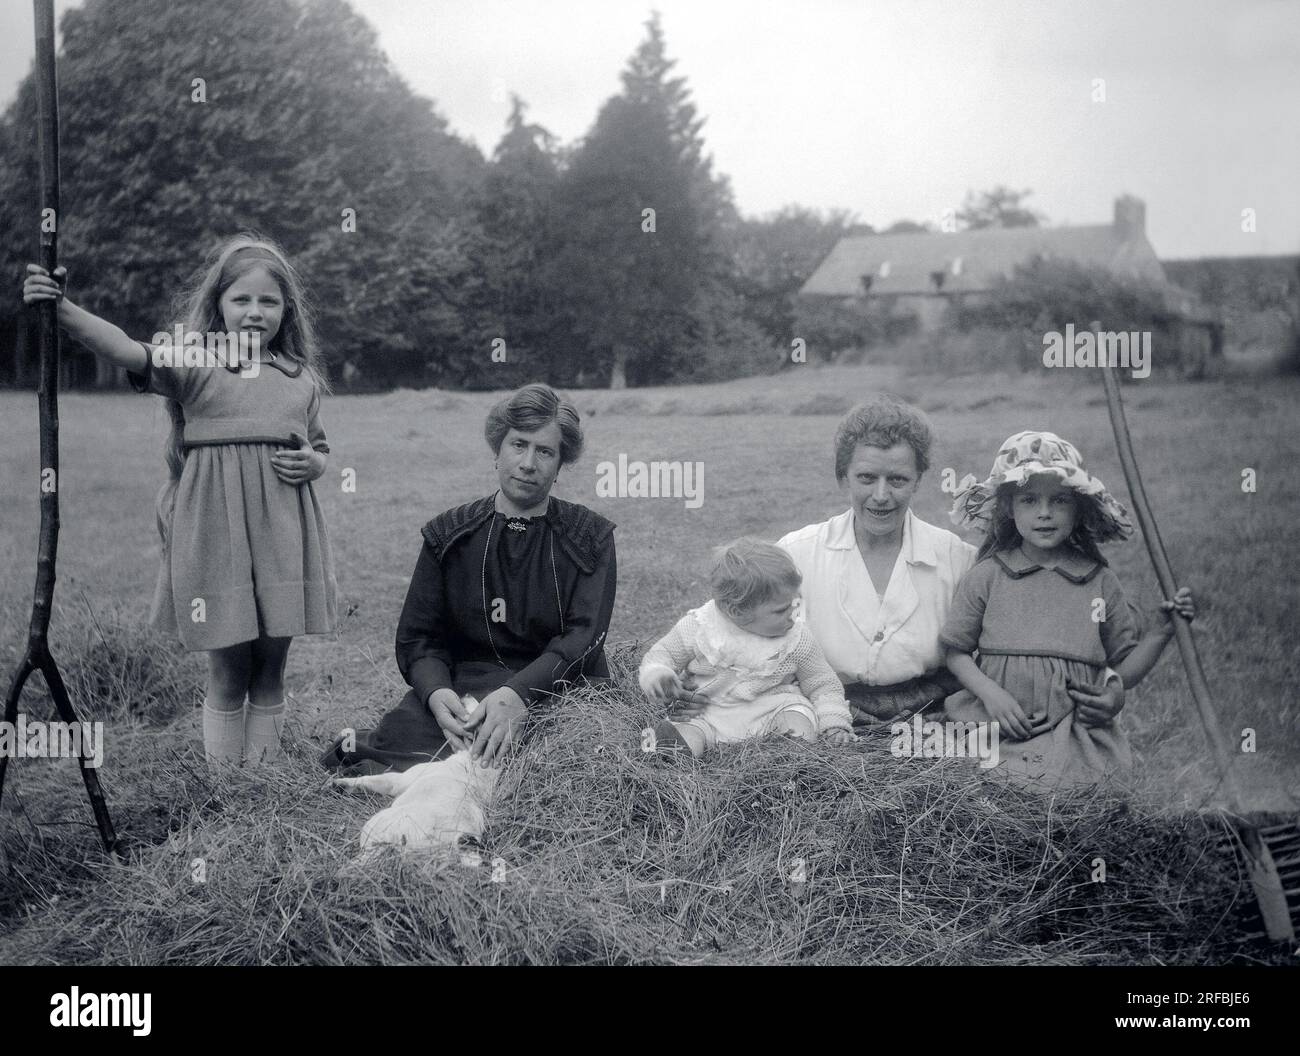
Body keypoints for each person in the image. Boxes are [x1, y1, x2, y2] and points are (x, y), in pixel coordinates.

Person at [22, 235, 336, 766]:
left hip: (284, 533)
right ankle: (226, 784)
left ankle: (261, 786)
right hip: (216, 533)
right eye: (241, 300)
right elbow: (124, 347)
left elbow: (320, 446)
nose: (255, 313)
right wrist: (64, 308)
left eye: (269, 302)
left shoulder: (299, 377)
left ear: (287, 310)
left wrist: (317, 463)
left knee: (272, 665)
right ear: (218, 305)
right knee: (229, 667)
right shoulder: (195, 361)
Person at [320, 383, 616, 774]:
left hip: (558, 687)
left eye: (545, 451)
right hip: (468, 688)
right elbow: (419, 638)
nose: (528, 463)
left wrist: (520, 694)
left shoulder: (590, 538)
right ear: (498, 448)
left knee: (566, 753)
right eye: (518, 445)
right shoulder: (450, 536)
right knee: (403, 736)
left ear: (561, 462)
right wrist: (436, 693)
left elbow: (584, 637)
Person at [941, 430, 1196, 787]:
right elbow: (956, 653)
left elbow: (1122, 670)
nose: (1044, 513)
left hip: (1074, 734)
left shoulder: (1099, 581)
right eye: (1029, 500)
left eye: (1059, 500)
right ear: (1007, 507)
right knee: (988, 791)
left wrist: (1159, 634)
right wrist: (991, 694)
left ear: (1079, 508)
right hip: (997, 724)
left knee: (1072, 793)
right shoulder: (988, 576)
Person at [778, 395, 1001, 725]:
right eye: (867, 478)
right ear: (844, 478)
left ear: (918, 481)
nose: (881, 496)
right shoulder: (796, 554)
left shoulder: (957, 560)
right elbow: (737, 624)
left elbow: (1003, 643)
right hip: (827, 712)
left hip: (933, 714)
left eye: (897, 479)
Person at [640, 538, 853, 758]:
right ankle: (675, 753)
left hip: (773, 709)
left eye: (795, 603)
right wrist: (659, 674)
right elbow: (662, 653)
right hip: (708, 711)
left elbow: (822, 683)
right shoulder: (701, 628)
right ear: (736, 611)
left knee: (797, 721)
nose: (794, 613)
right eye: (781, 610)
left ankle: (789, 759)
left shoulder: (796, 639)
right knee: (685, 729)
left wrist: (833, 721)